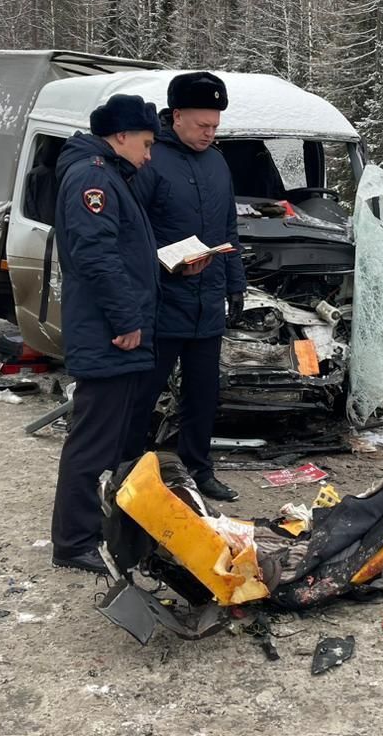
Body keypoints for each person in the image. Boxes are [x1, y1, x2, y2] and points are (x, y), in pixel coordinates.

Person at [50, 93, 162, 573]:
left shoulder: (111, 173)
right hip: (107, 332)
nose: (149, 153)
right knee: (94, 439)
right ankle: (74, 542)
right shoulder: (93, 178)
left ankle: (99, 529)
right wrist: (127, 320)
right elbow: (96, 256)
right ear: (120, 135)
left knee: (113, 437)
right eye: (145, 142)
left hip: (113, 330)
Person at [135, 71, 246, 502]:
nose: (209, 133)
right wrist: (167, 264)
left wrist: (235, 284)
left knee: (203, 395)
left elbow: (229, 228)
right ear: (176, 116)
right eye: (202, 125)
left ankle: (200, 470)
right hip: (162, 302)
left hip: (207, 302)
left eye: (215, 126)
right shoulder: (150, 161)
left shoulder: (217, 162)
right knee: (142, 395)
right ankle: (131, 471)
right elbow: (133, 232)